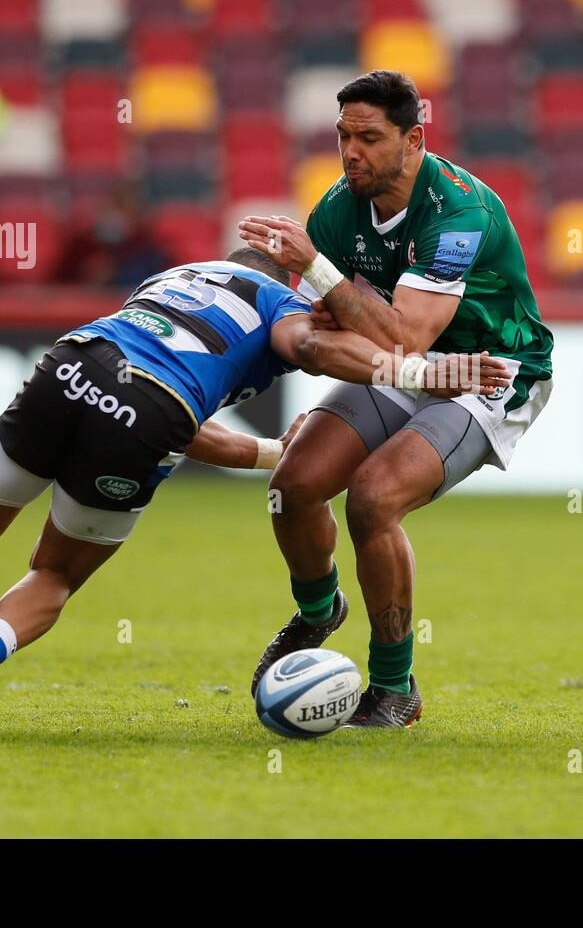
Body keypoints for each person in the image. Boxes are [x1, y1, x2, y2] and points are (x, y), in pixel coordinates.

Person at [0, 247, 507, 732]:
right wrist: (415, 371)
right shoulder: (281, 305)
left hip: (72, 365)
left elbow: (166, 406)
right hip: (148, 411)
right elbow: (304, 353)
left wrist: (271, 454)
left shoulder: (175, 276)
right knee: (53, 571)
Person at [236, 70, 554, 727]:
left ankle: (393, 687)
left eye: (370, 138)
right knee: (293, 485)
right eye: (343, 136)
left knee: (374, 498)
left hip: (494, 376)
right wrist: (322, 325)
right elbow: (316, 326)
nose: (352, 152)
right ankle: (320, 608)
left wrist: (322, 277)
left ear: (414, 140)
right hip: (413, 369)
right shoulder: (338, 207)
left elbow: (405, 334)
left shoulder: (458, 211)